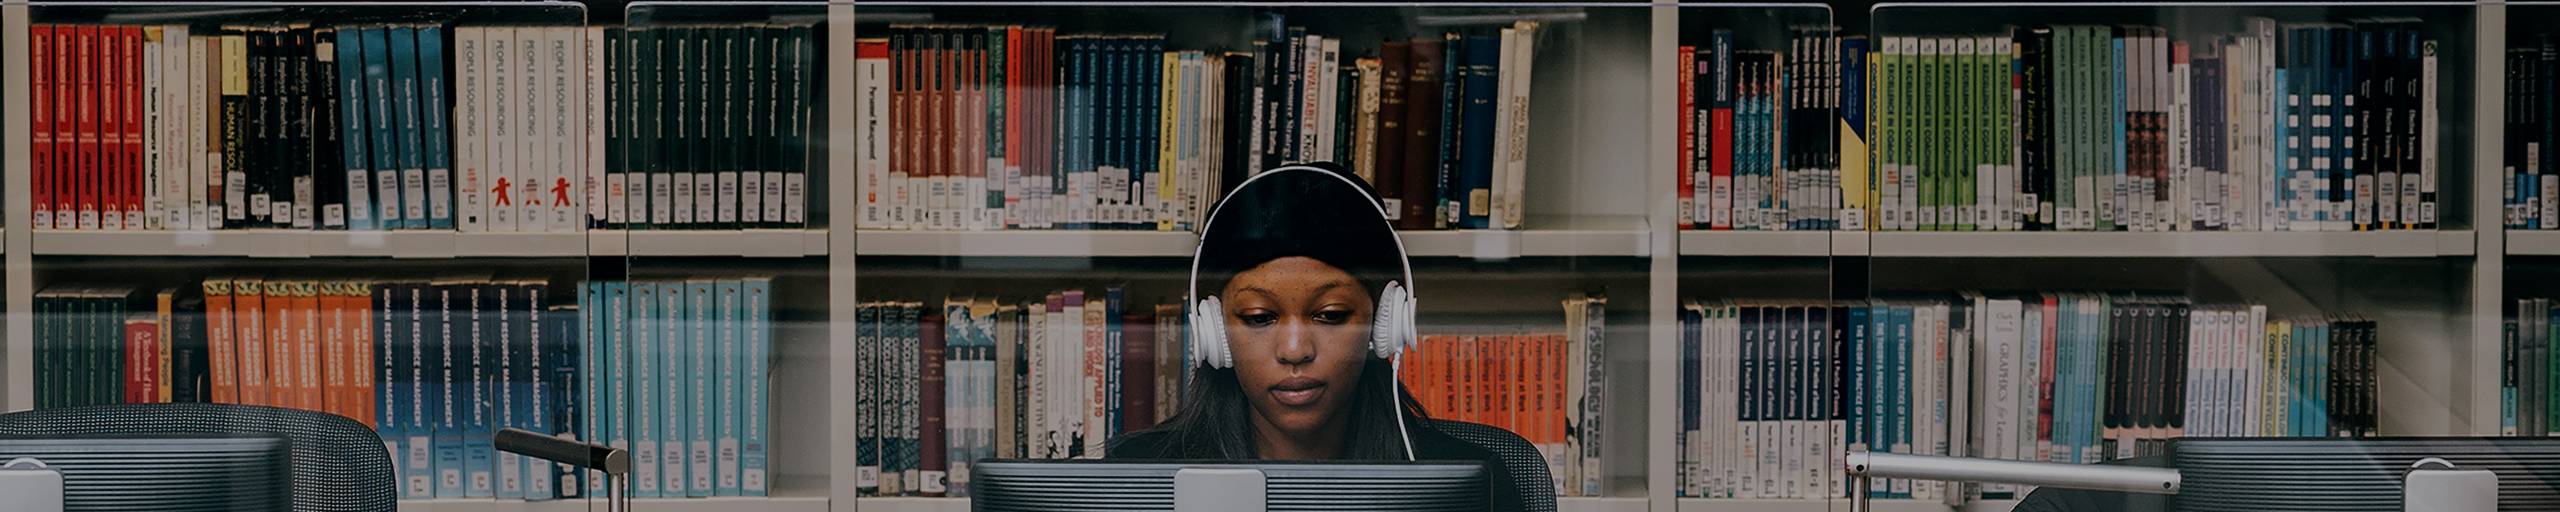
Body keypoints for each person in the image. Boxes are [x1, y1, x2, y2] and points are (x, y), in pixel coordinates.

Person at [1106, 163, 1541, 512]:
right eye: (1259, 318)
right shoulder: (1134, 481)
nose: (1295, 350)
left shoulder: (1464, 481)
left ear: (1383, 325)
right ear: (1213, 332)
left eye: (1331, 316)